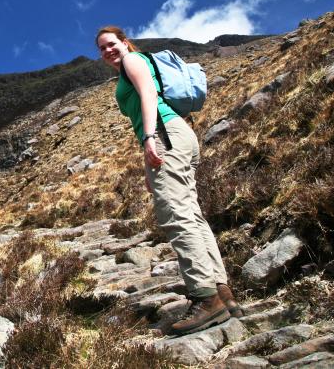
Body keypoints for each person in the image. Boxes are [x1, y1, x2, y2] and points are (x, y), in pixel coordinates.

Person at [95, 25, 241, 336]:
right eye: (102, 48)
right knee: (192, 215)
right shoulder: (132, 65)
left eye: (111, 44)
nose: (107, 51)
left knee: (176, 214)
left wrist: (150, 137)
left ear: (125, 42)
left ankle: (205, 298)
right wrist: (149, 157)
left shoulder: (132, 60)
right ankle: (222, 292)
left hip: (165, 133)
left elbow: (149, 93)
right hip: (176, 135)